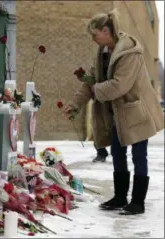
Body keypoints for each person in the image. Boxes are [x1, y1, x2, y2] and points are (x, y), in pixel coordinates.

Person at [63, 9, 164, 215]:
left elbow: (119, 86)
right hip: (117, 114)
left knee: (139, 156)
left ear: (106, 30)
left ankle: (137, 202)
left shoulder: (130, 53)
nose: (93, 39)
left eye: (95, 34)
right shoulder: (103, 53)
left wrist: (96, 88)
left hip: (137, 111)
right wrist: (75, 104)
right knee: (118, 154)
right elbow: (90, 81)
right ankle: (120, 197)